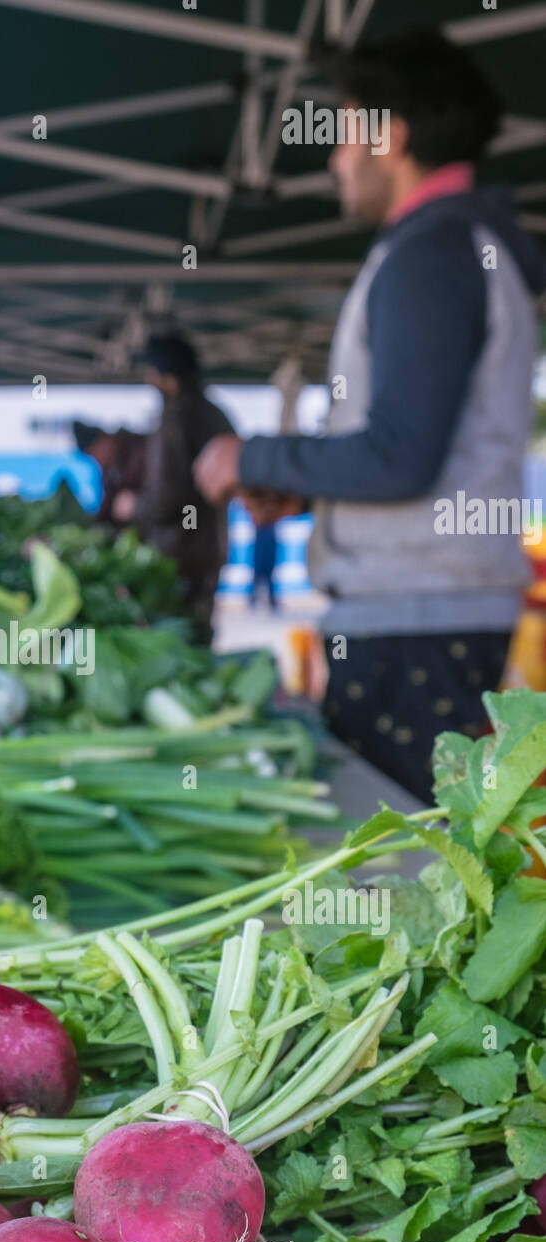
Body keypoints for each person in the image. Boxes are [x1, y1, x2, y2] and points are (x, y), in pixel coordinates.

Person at [194, 29, 546, 801]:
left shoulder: (435, 249)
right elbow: (414, 447)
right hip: (428, 612)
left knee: (403, 867)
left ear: (389, 136)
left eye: (343, 131)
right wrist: (311, 487)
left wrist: (249, 458)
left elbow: (399, 456)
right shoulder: (456, 245)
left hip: (419, 621)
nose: (333, 158)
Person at [115, 335, 233, 634]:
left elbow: (169, 496)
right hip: (210, 549)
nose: (148, 380)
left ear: (167, 378)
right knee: (199, 634)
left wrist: (133, 506)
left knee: (176, 640)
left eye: (152, 373)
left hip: (178, 553)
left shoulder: (177, 419)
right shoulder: (217, 414)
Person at [73, 422, 147, 528]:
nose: (95, 459)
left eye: (93, 451)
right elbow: (107, 508)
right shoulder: (110, 468)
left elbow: (166, 498)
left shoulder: (140, 452)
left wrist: (139, 505)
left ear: (104, 440)